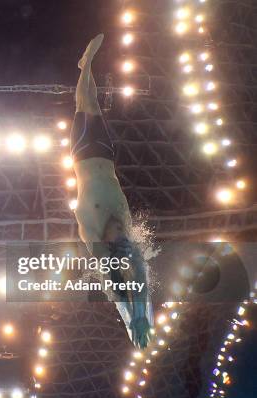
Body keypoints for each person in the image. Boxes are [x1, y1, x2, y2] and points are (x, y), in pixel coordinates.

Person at [70, 34, 153, 348]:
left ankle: (86, 63)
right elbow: (140, 279)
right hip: (106, 153)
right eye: (124, 236)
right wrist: (141, 313)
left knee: (84, 104)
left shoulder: (92, 235)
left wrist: (131, 316)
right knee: (95, 108)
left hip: (80, 153)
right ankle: (85, 64)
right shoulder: (125, 226)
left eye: (115, 237)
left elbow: (119, 284)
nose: (120, 231)